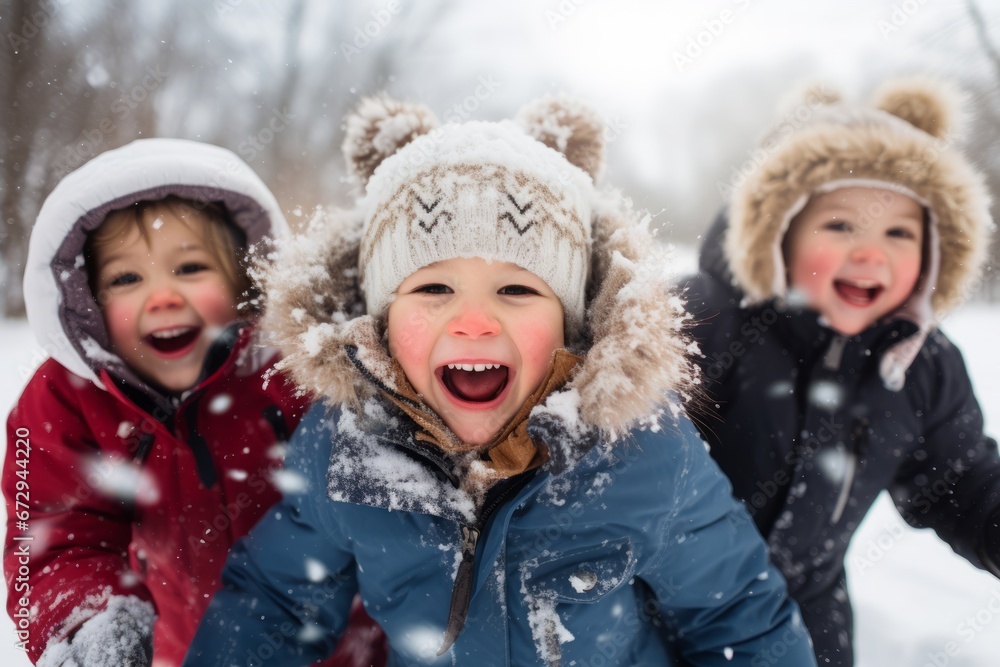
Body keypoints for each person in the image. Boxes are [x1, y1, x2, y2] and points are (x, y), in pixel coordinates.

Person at [182, 95, 817, 667]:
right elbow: (277, 599)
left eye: (516, 289)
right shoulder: (347, 445)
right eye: (433, 288)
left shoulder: (641, 448)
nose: (476, 321)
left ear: (571, 324)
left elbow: (737, 616)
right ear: (378, 320)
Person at [3, 139, 385, 667]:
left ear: (242, 281)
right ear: (88, 298)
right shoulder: (65, 399)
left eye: (189, 269)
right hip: (186, 648)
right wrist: (86, 622)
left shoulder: (294, 368)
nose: (163, 297)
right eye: (126, 278)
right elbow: (52, 537)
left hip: (345, 643)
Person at [681, 77, 1000, 666]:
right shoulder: (701, 323)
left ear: (934, 250)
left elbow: (963, 481)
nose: (870, 253)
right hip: (665, 622)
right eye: (839, 225)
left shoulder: (919, 365)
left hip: (809, 627)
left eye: (899, 232)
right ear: (779, 230)